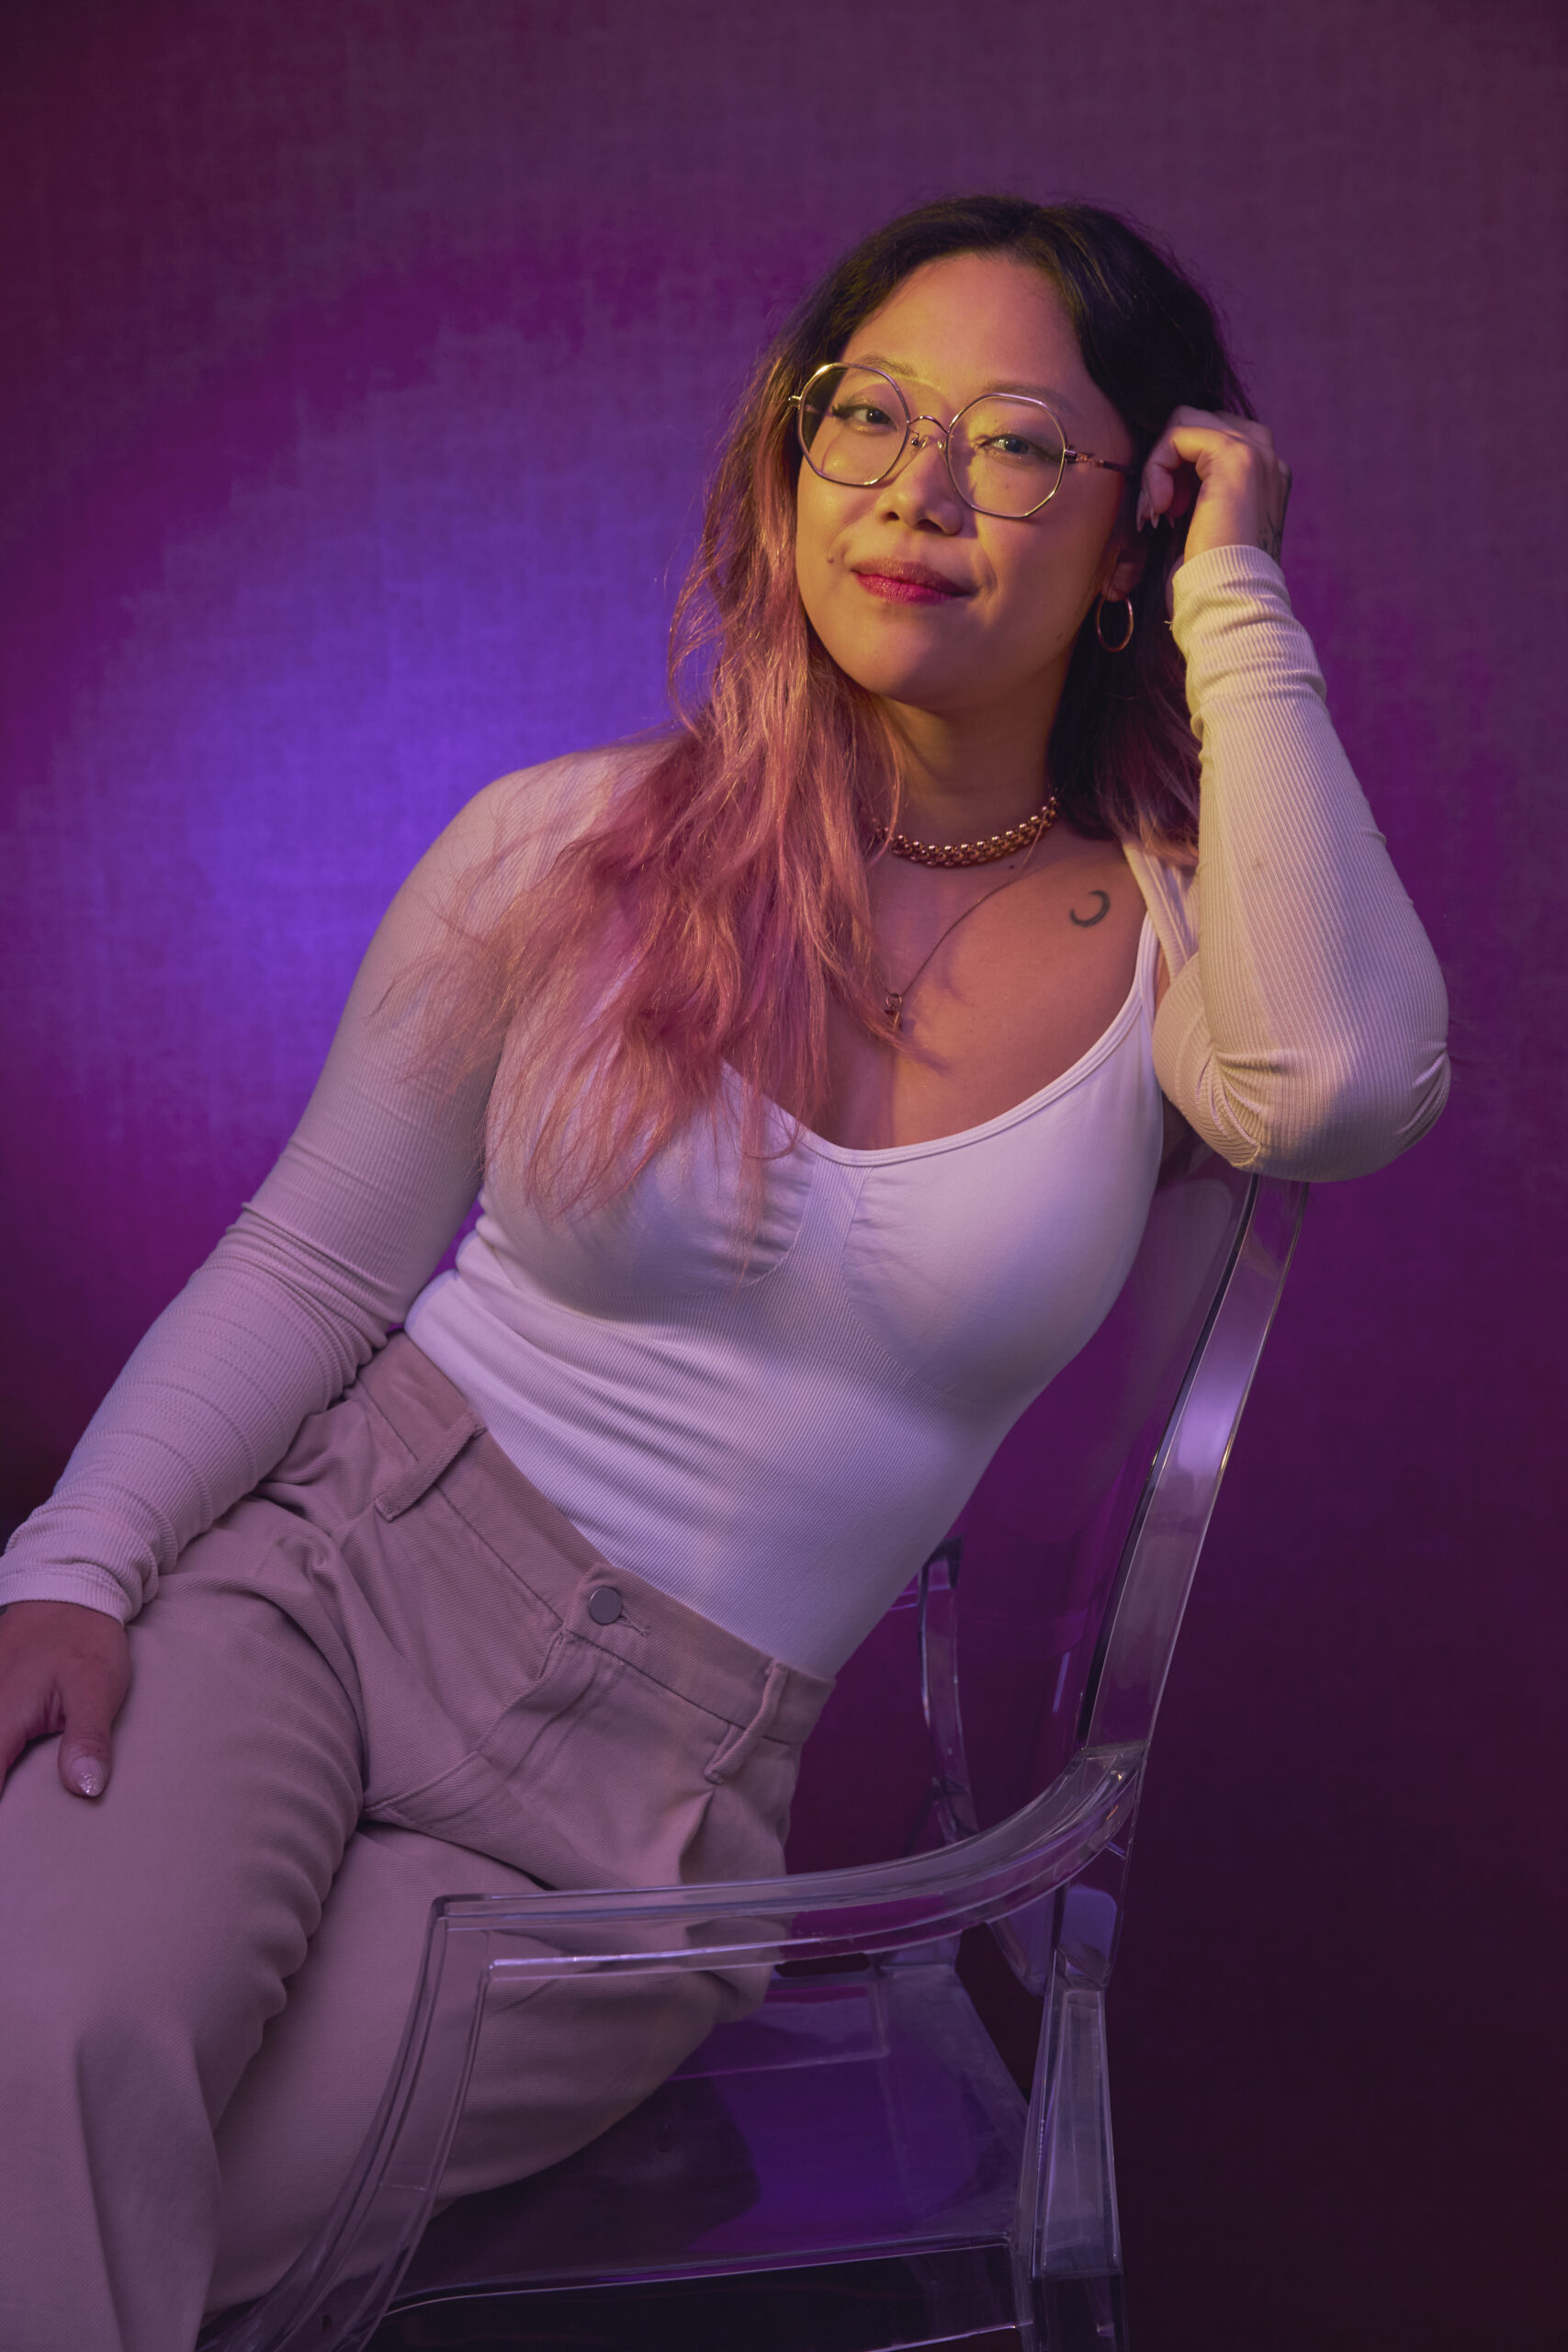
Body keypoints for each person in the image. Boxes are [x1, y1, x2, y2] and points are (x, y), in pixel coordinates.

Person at [0, 195, 1449, 2352]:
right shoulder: (556, 848)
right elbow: (312, 1257)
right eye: (867, 413)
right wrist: (76, 1560)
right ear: (788, 456)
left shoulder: (1173, 950)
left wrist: (1233, 590)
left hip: (641, 1809)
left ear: (1126, 525)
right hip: (321, 1581)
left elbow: (1340, 1075)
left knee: (190, 2231)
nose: (918, 489)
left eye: (1017, 441)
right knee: (40, 2066)